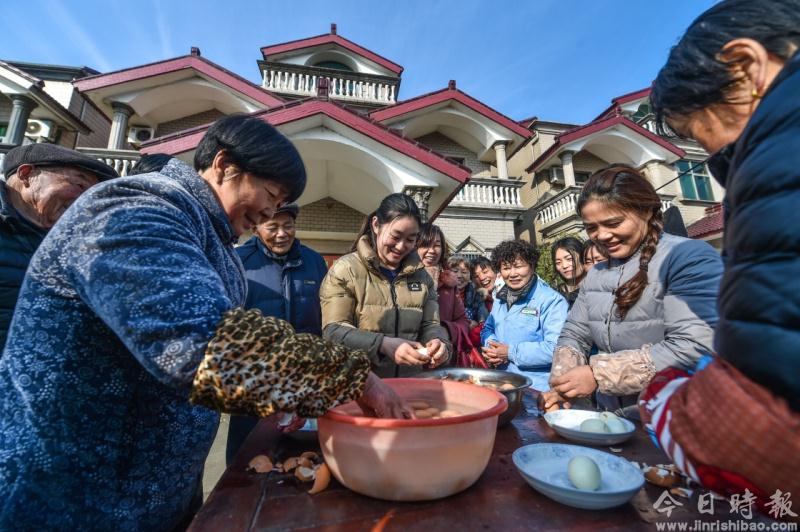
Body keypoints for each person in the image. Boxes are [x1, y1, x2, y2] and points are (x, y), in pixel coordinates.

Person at [0, 115, 408, 530]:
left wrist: (295, 391)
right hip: (73, 498)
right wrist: (355, 379)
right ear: (225, 165)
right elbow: (206, 344)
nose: (271, 211)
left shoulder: (213, 240)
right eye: (270, 193)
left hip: (152, 492)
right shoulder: (135, 207)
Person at [641, 0, 800, 510]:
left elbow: (760, 425)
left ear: (747, 67)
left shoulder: (778, 158)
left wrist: (662, 398)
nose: (713, 158)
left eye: (696, 135)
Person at [539, 166, 723, 418]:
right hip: (613, 416)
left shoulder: (686, 257)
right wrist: (564, 382)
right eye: (591, 228)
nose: (602, 235)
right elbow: (575, 333)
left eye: (614, 223)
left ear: (646, 211)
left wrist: (598, 374)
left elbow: (696, 344)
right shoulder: (596, 273)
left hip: (676, 419)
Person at [225, 202, 328, 464]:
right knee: (247, 458)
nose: (282, 233)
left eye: (288, 225)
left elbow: (325, 318)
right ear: (257, 228)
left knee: (297, 457)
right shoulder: (240, 260)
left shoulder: (314, 261)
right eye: (272, 226)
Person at [0, 143, 117, 350]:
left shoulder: (79, 244)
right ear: (27, 175)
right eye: (80, 186)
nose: (86, 202)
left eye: (94, 195)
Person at [320, 193, 451, 378]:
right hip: (361, 386)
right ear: (376, 225)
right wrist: (382, 344)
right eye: (396, 236)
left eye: (410, 239)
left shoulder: (422, 277)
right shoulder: (346, 269)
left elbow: (431, 324)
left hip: (411, 383)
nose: (401, 246)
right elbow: (333, 331)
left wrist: (439, 341)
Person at [481, 240, 569, 391]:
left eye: (519, 266)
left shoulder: (552, 301)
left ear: (532, 266)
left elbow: (556, 349)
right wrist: (492, 347)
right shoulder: (501, 298)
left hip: (536, 388)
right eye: (506, 268)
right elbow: (488, 328)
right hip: (501, 383)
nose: (513, 274)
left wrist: (510, 352)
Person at [417, 223, 482, 368]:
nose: (432, 251)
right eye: (425, 245)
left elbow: (463, 321)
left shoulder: (448, 283)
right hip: (409, 356)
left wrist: (445, 330)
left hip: (442, 359)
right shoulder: (403, 279)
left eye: (437, 245)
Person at [551, 236, 586, 308]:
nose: (564, 266)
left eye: (569, 259)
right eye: (558, 262)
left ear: (583, 257)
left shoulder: (596, 289)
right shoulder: (553, 294)